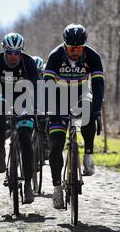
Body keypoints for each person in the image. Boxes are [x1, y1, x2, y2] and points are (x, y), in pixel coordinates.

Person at [43, 24, 104, 209]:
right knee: (56, 144)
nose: (75, 51)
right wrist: (47, 110)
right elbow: (46, 86)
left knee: (89, 109)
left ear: (83, 46)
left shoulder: (92, 57)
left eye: (78, 48)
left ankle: (88, 155)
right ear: (65, 45)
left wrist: (97, 110)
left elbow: (99, 86)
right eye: (71, 48)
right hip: (59, 99)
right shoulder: (55, 56)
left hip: (81, 95)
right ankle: (57, 188)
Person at [0, 33, 39, 205]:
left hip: (23, 100)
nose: (14, 56)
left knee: (25, 139)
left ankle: (28, 185)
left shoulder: (28, 62)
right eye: (10, 52)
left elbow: (37, 89)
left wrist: (37, 108)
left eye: (17, 52)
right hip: (3, 97)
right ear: (5, 50)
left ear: (21, 52)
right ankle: (1, 150)